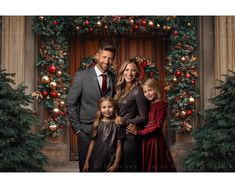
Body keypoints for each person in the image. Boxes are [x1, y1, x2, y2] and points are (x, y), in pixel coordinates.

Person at [66, 42, 116, 171]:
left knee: (106, 170)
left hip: (108, 131)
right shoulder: (82, 76)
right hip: (86, 131)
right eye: (104, 57)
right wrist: (78, 130)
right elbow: (71, 104)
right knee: (86, 170)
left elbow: (116, 103)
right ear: (97, 56)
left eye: (110, 58)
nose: (107, 61)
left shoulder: (114, 78)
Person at [127, 78, 176, 172]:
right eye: (145, 92)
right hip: (146, 139)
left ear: (156, 89)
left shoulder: (162, 104)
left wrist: (139, 132)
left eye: (150, 90)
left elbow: (157, 125)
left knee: (155, 163)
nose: (147, 94)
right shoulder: (149, 104)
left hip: (154, 140)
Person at [114, 58, 148, 172]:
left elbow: (144, 117)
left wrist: (125, 121)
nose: (129, 73)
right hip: (117, 134)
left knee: (130, 169)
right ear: (122, 71)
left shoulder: (138, 90)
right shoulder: (119, 89)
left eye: (133, 70)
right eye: (127, 70)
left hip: (129, 136)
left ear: (137, 73)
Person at [83, 97, 125, 172]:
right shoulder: (96, 123)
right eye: (104, 107)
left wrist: (116, 164)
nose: (107, 110)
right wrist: (86, 162)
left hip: (110, 160)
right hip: (95, 160)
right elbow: (92, 144)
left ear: (114, 108)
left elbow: (119, 146)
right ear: (100, 109)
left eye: (110, 107)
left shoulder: (117, 124)